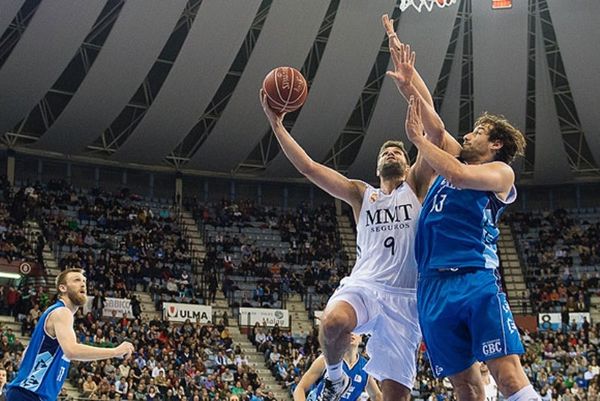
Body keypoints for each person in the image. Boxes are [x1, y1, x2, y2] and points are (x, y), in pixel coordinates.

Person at [260, 16, 445, 401]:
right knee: (333, 322)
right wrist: (277, 126)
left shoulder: (416, 184)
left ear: (408, 161)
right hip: (365, 285)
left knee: (397, 396)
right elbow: (310, 169)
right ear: (377, 168)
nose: (392, 151)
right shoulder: (362, 194)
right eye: (385, 151)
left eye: (398, 149)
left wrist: (411, 86)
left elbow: (437, 135)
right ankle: (334, 378)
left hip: (406, 298)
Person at [403, 85, 539, 401]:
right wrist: (408, 81)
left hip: (473, 278)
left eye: (477, 132)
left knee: (506, 376)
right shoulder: (453, 159)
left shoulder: (500, 172)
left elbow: (459, 176)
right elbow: (435, 125)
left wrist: (418, 141)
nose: (467, 135)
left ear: (495, 143)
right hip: (432, 286)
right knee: (463, 385)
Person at [5, 268, 134, 401]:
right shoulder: (62, 312)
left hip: (28, 393)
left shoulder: (56, 315)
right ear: (62, 288)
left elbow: (27, 353)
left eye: (84, 281)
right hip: (29, 394)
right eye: (77, 280)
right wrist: (115, 351)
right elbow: (72, 351)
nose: (83, 284)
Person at [294, 334, 381, 401]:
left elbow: (377, 396)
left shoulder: (366, 367)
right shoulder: (327, 358)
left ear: (361, 338)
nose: (352, 333)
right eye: (347, 331)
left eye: (356, 330)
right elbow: (300, 388)